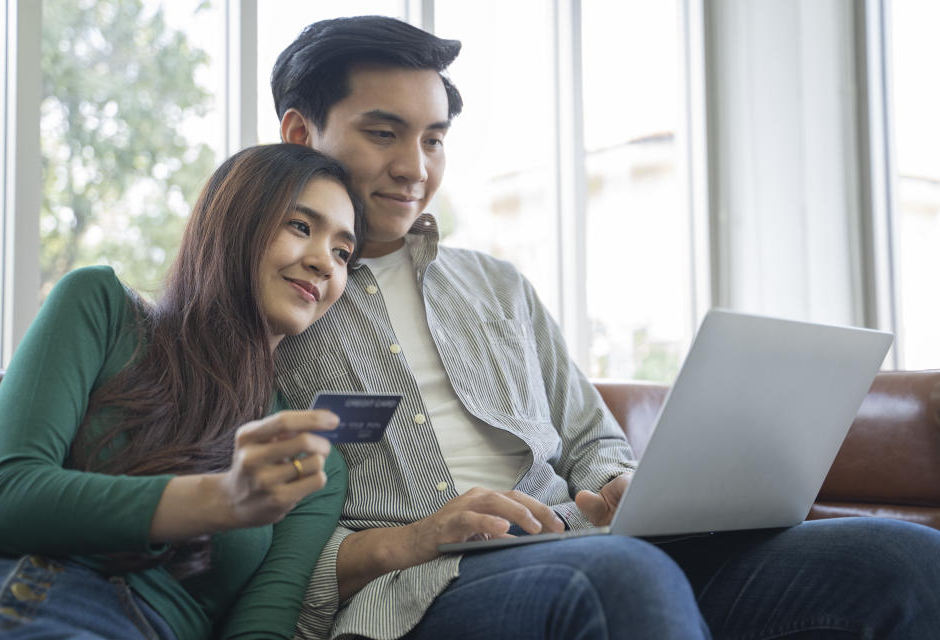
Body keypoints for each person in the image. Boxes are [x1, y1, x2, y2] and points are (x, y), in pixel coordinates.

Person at [272, 16, 940, 640]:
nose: (416, 169)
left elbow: (593, 441)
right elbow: (253, 546)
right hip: (418, 587)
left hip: (586, 547)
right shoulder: (263, 306)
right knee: (623, 580)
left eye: (434, 139)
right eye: (384, 134)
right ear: (301, 135)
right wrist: (419, 536)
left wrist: (622, 488)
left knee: (900, 557)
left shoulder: (497, 287)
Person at [0, 144, 366, 639]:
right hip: (26, 597)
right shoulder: (99, 309)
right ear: (236, 220)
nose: (325, 264)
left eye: (342, 252)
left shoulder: (317, 464)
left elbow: (261, 625)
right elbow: (1, 499)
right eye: (301, 226)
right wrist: (221, 499)